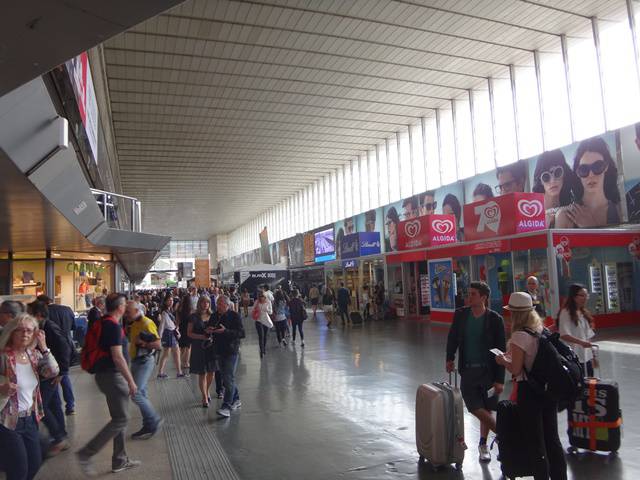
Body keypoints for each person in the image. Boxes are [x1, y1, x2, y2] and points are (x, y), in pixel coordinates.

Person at [495, 292, 567, 480]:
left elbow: (517, 369)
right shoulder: (541, 329)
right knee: (552, 439)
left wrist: (503, 361)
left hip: (529, 392)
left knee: (535, 442)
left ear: (515, 314)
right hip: (548, 389)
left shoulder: (519, 335)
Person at [76, 293, 140, 475]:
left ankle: (119, 460)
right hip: (112, 377)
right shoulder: (111, 325)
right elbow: (118, 358)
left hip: (106, 376)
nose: (127, 306)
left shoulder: (104, 322)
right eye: (124, 304)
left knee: (119, 419)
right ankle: (86, 453)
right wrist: (131, 381)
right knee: (122, 419)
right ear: (120, 307)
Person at [446, 281, 506, 462]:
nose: (468, 297)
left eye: (473, 294)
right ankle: (505, 433)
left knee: (487, 408)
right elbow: (453, 337)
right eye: (468, 293)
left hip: (488, 371)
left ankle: (483, 444)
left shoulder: (495, 319)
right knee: (474, 406)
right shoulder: (461, 315)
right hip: (468, 370)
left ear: (483, 297)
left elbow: (501, 349)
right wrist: (450, 357)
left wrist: (499, 379)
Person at [0, 313, 59, 480]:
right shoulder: (3, 356)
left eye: (29, 330)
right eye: (20, 330)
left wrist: (44, 346)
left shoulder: (34, 356)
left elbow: (53, 371)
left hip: (31, 419)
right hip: (8, 421)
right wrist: (1, 388)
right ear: (12, 332)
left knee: (34, 463)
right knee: (19, 469)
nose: (25, 334)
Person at [27, 301, 70, 456]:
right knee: (54, 404)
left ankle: (59, 437)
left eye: (30, 313)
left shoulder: (49, 327)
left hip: (51, 373)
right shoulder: (43, 327)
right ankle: (61, 436)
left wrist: (61, 372)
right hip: (49, 373)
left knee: (42, 408)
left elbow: (64, 346)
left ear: (38, 315)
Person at [555, 137, 621, 228]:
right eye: (584, 169)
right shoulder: (565, 216)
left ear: (606, 167)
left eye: (597, 166)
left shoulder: (620, 211)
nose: (591, 175)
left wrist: (591, 227)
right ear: (577, 173)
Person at [126, 301, 163, 439]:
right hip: (136, 361)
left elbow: (158, 344)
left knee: (135, 393)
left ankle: (154, 419)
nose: (126, 315)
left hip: (145, 361)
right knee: (142, 393)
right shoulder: (134, 324)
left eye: (128, 312)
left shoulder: (147, 323)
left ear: (136, 311)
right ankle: (148, 424)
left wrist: (144, 343)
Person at [36, 295, 76, 416]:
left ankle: (55, 407)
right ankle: (70, 405)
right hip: (67, 345)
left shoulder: (45, 314)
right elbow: (73, 327)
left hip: (51, 349)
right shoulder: (67, 309)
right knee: (65, 377)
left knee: (53, 380)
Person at [210, 296, 245, 418]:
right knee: (227, 378)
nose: (218, 306)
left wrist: (225, 331)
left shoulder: (234, 316)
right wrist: (209, 330)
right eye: (217, 304)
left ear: (227, 305)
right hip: (219, 351)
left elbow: (241, 333)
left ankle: (226, 406)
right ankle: (236, 399)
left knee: (228, 378)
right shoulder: (214, 316)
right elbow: (211, 328)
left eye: (220, 304)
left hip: (231, 351)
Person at [188, 296, 221, 408]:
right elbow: (189, 333)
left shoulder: (213, 316)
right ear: (199, 303)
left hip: (211, 346)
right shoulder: (193, 317)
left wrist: (212, 332)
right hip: (199, 346)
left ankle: (206, 391)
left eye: (207, 302)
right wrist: (202, 336)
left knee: (211, 371)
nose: (205, 304)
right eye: (203, 302)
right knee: (202, 372)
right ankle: (204, 396)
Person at [557, 284, 597, 377]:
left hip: (586, 357)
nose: (585, 298)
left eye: (586, 295)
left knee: (590, 384)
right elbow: (564, 334)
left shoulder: (583, 312)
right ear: (574, 297)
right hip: (574, 357)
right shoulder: (566, 313)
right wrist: (581, 342)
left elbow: (588, 336)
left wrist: (593, 355)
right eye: (582, 295)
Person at [532, 149, 578, 228]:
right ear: (540, 181)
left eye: (557, 172)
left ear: (564, 174)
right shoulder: (532, 212)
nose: (552, 181)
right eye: (546, 177)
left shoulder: (572, 210)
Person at [157, 295, 184, 379]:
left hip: (171, 333)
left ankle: (178, 372)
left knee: (173, 353)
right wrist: (159, 338)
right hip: (168, 334)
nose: (171, 302)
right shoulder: (164, 312)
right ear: (165, 302)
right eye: (169, 300)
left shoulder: (170, 311)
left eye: (172, 300)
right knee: (167, 353)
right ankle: (162, 372)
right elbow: (162, 326)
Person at [252, 291, 273, 359]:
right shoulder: (256, 302)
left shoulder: (268, 302)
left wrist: (267, 310)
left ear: (265, 297)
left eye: (263, 296)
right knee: (261, 336)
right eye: (260, 296)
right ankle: (261, 350)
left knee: (265, 336)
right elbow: (252, 310)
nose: (262, 298)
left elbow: (271, 312)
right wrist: (256, 309)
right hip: (258, 321)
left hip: (266, 321)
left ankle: (263, 348)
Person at [177, 295, 193, 373]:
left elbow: (177, 320)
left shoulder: (179, 308)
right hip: (188, 328)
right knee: (188, 347)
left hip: (181, 328)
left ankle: (180, 361)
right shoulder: (190, 309)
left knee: (182, 346)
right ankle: (186, 362)